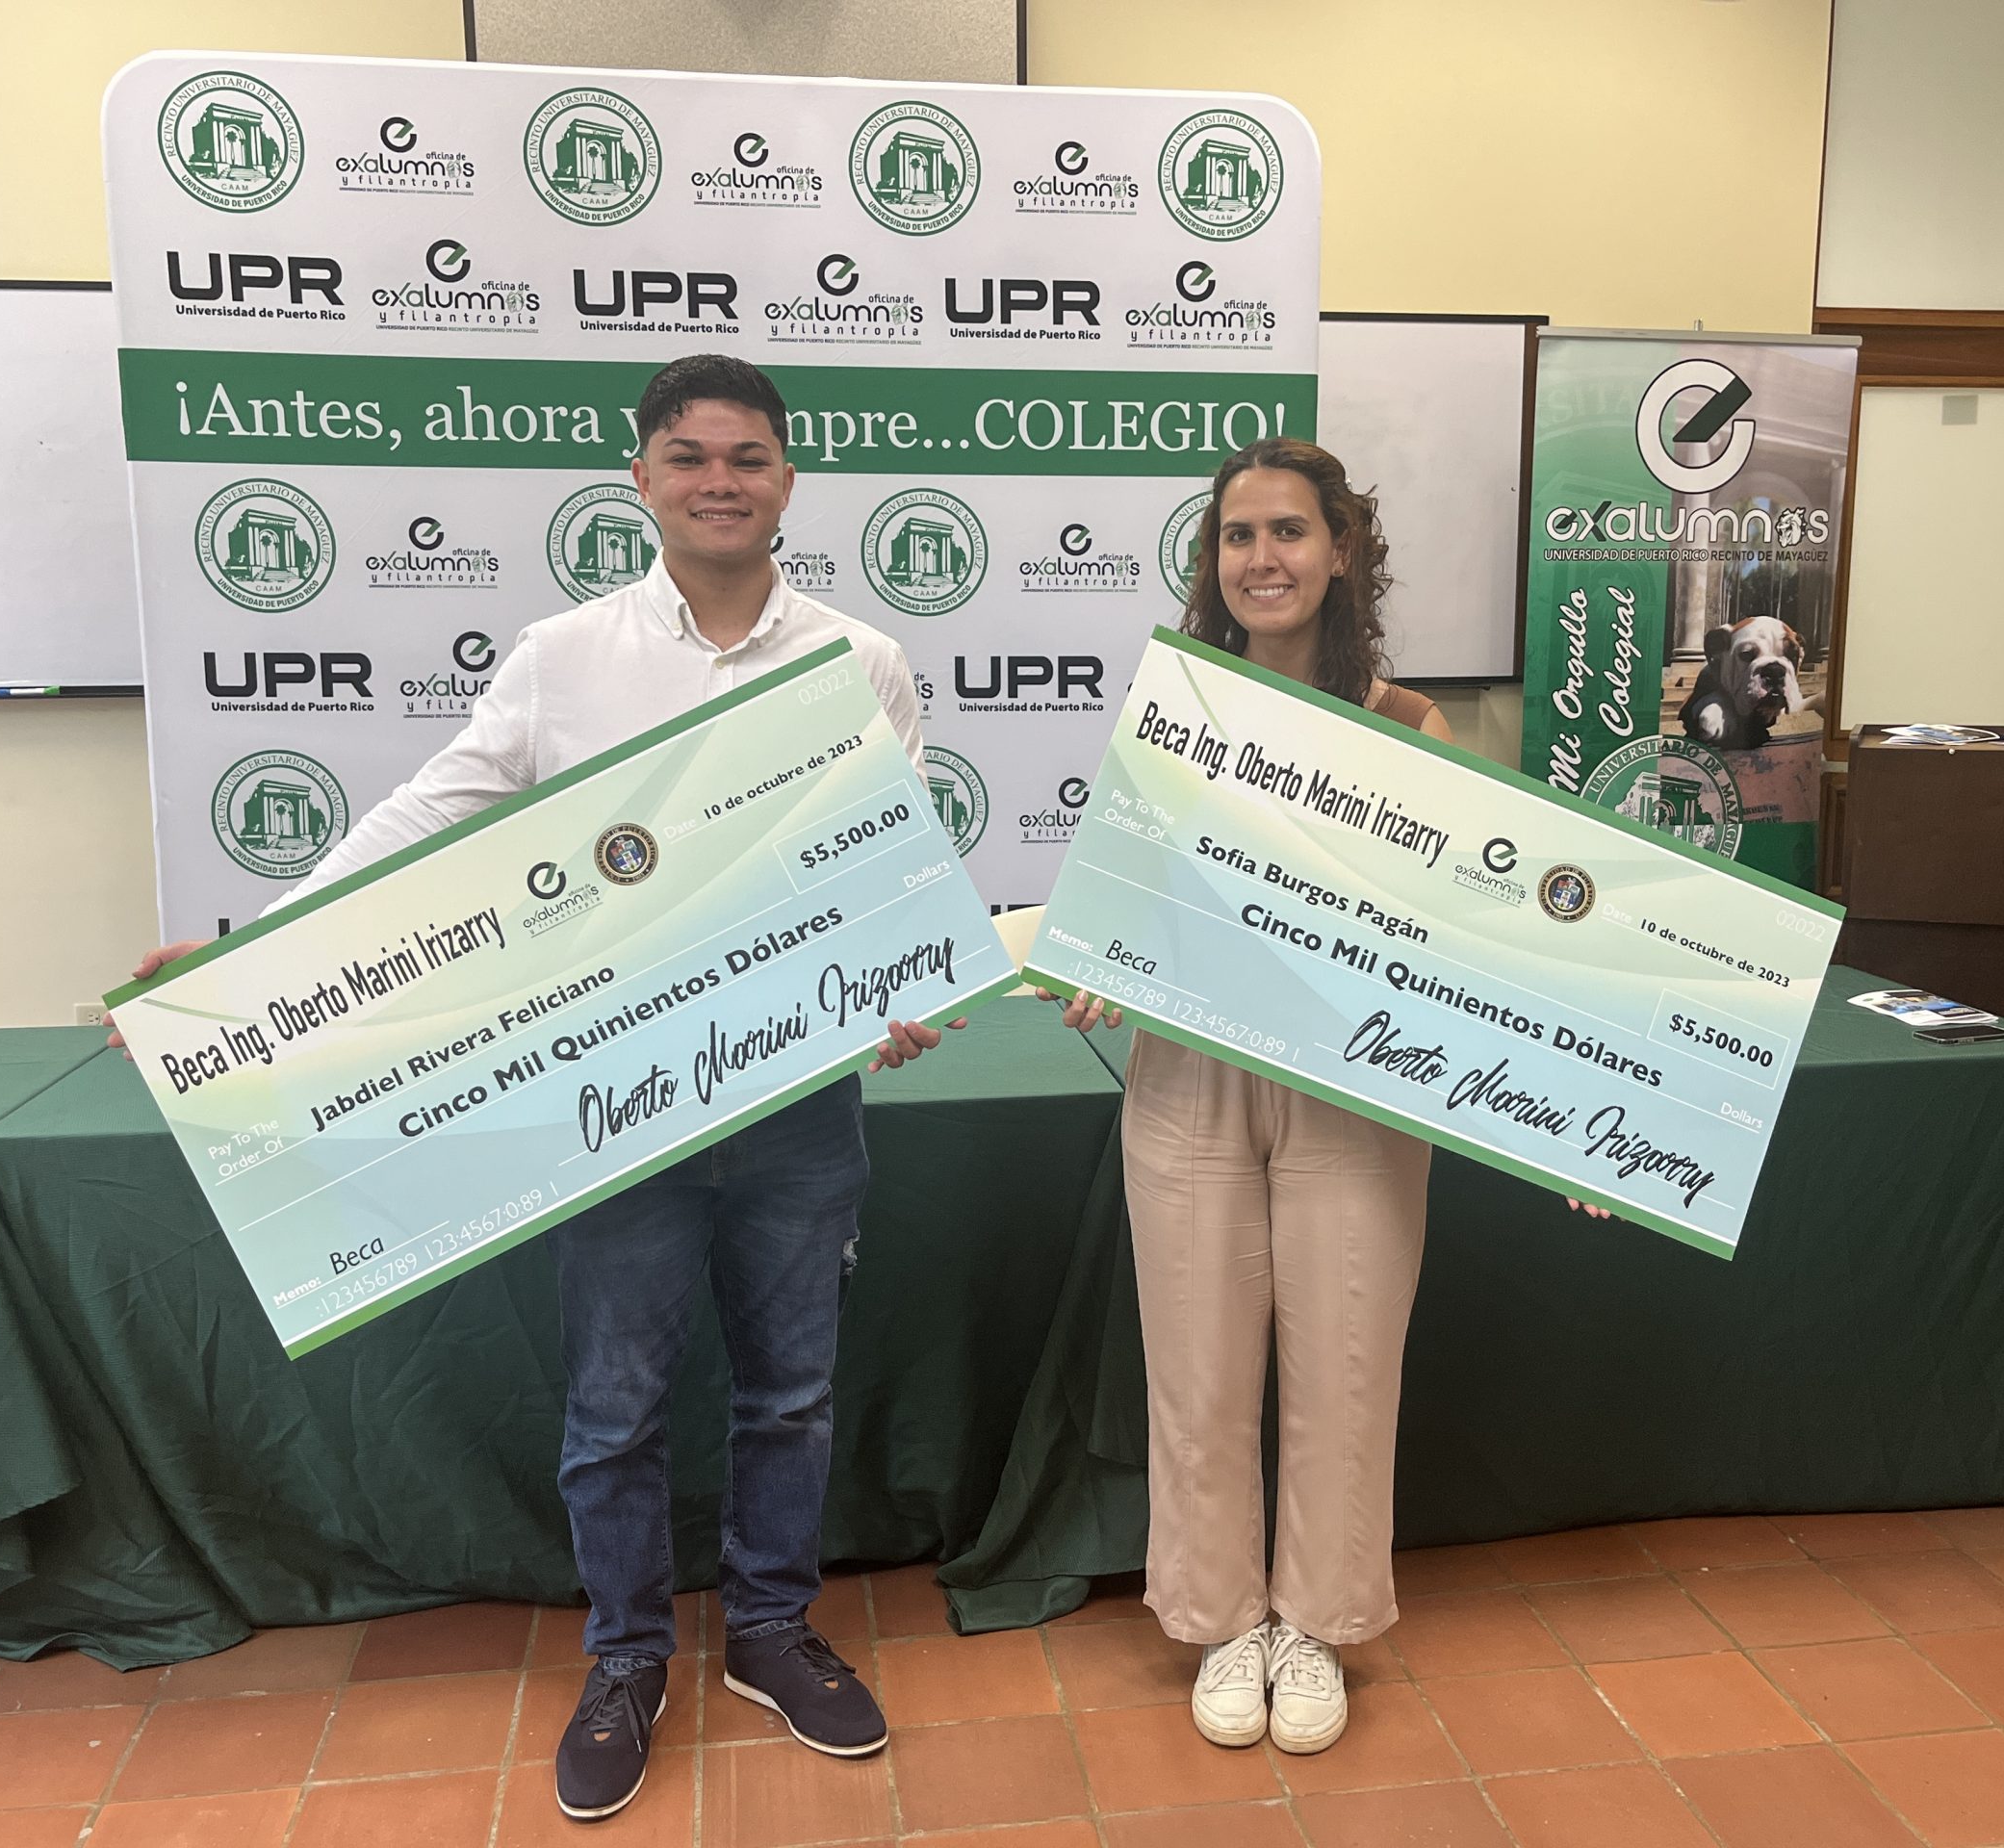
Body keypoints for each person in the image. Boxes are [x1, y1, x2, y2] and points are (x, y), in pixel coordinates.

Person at [110, 355, 957, 1823]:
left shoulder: (862, 660)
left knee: (795, 1396)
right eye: (688, 456)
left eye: (748, 457)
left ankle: (767, 1632)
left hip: (795, 1104)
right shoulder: (563, 656)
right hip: (614, 1100)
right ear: (640, 477)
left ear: (787, 483)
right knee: (616, 1406)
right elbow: (430, 813)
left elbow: (882, 864)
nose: (718, 481)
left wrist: (894, 990)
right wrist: (258, 957)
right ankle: (628, 1658)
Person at [1048, 438, 1606, 1758]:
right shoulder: (1175, 714)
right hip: (1190, 1078)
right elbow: (1131, 900)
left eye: (1289, 532)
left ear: (1341, 549)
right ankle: (1220, 1620)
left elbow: (1484, 938)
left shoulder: (1413, 728)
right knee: (1198, 1367)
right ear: (1214, 564)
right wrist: (1102, 963)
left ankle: (1316, 1627)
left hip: (1357, 1089)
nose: (1263, 559)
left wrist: (1582, 1105)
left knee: (1347, 1364)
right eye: (1238, 538)